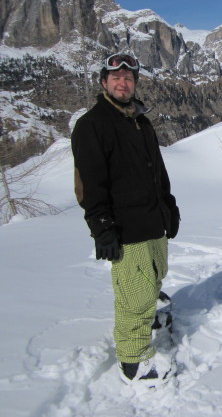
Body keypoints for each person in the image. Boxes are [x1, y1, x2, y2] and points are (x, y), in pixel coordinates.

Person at [71, 52, 180, 386]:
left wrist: (169, 205)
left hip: (153, 220)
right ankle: (134, 362)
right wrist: (101, 227)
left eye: (129, 78)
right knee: (134, 291)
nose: (123, 83)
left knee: (155, 275)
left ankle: (149, 320)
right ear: (104, 83)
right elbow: (89, 185)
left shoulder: (139, 120)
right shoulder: (92, 125)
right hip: (125, 226)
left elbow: (157, 171)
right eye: (116, 78)